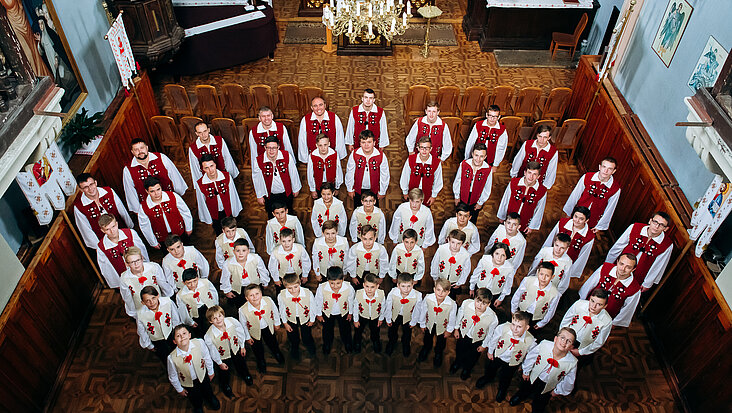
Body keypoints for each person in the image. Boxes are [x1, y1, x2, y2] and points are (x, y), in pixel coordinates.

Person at [509, 328, 578, 412]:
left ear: (571, 347)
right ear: (555, 339)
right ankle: (520, 395)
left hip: (548, 385)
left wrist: (557, 391)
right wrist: (526, 371)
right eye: (562, 338)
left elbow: (568, 382)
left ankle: (537, 409)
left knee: (541, 400)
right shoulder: (544, 345)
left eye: (569, 341)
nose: (564, 342)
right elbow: (531, 357)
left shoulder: (572, 363)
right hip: (534, 375)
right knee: (525, 387)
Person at [475, 311, 537, 402]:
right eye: (513, 324)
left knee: (506, 377)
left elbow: (530, 357)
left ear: (527, 327)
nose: (515, 329)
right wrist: (490, 351)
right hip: (498, 355)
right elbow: (494, 339)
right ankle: (488, 377)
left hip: (512, 363)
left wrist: (523, 367)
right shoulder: (503, 328)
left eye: (519, 327)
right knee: (491, 368)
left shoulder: (531, 341)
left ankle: (502, 389)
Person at [605, 212, 673, 291]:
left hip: (639, 275)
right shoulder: (634, 227)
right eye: (655, 222)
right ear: (650, 221)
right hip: (620, 266)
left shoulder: (667, 245)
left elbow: (658, 265)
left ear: (666, 228)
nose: (656, 226)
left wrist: (647, 283)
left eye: (661, 225)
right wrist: (608, 263)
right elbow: (618, 246)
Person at [122, 138, 187, 213]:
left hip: (169, 199)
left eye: (142, 148)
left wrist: (178, 196)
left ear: (147, 148)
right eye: (136, 150)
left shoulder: (161, 158)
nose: (140, 151)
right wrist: (138, 211)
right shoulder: (128, 170)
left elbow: (175, 176)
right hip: (149, 207)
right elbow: (130, 192)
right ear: (132, 152)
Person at [167, 325, 220, 413]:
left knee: (207, 389)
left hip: (203, 375)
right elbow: (173, 376)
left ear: (189, 335)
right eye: (178, 336)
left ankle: (210, 398)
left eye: (184, 333)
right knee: (194, 396)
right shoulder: (172, 358)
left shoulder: (199, 343)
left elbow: (206, 356)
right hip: (188, 383)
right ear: (174, 341)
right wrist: (180, 389)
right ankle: (198, 406)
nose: (182, 337)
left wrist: (210, 371)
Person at [579, 253, 641, 328]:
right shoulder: (605, 268)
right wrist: (581, 301)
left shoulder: (634, 289)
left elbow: (627, 310)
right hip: (588, 308)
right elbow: (589, 285)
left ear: (633, 269)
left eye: (628, 267)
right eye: (621, 264)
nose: (623, 269)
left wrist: (614, 323)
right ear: (617, 262)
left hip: (605, 318)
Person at [203, 305, 253, 398]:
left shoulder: (232, 321)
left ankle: (245, 375)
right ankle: (225, 385)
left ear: (223, 315)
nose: (218, 319)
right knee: (224, 372)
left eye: (220, 316)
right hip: (222, 356)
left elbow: (240, 332)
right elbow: (213, 352)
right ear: (210, 321)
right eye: (214, 318)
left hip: (235, 348)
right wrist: (219, 363)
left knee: (241, 363)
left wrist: (242, 346)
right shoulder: (209, 336)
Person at [73, 173, 133, 248]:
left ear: (95, 182)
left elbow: (122, 211)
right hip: (105, 243)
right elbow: (86, 230)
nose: (90, 189)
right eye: (85, 187)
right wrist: (99, 247)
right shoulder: (79, 207)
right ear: (81, 189)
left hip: (122, 232)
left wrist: (130, 229)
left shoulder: (108, 191)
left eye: (91, 184)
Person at [451, 288, 499, 380]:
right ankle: (457, 362)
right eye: (478, 301)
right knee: (459, 349)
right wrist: (456, 328)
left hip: (477, 340)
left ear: (489, 304)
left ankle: (467, 369)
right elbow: (460, 316)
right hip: (463, 334)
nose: (479, 305)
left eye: (484, 303)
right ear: (475, 299)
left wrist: (484, 345)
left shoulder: (493, 318)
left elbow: (490, 334)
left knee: (473, 356)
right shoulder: (466, 304)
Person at [562, 157, 620, 232]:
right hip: (577, 214)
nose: (605, 171)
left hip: (594, 219)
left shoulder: (615, 189)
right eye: (604, 167)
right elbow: (574, 196)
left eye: (610, 169)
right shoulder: (587, 177)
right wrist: (568, 212)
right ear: (600, 167)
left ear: (613, 171)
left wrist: (600, 226)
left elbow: (610, 208)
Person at [560, 288, 613, 369]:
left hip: (584, 346)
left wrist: (580, 352)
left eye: (599, 304)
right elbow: (566, 320)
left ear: (605, 306)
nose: (594, 306)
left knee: (573, 366)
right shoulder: (579, 304)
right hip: (568, 337)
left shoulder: (607, 321)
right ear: (590, 298)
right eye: (592, 301)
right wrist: (562, 337)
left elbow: (599, 342)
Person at [238, 284, 285, 373]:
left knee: (272, 341)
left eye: (257, 294)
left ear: (261, 293)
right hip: (254, 331)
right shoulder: (242, 310)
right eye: (251, 295)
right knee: (257, 347)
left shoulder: (268, 300)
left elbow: (275, 311)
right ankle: (261, 360)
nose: (255, 297)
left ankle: (276, 352)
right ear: (247, 298)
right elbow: (243, 325)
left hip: (268, 326)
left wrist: (277, 322)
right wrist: (247, 337)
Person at [138, 177, 193, 249]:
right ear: (147, 191)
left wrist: (189, 228)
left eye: (158, 189)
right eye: (152, 191)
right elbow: (145, 226)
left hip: (180, 233)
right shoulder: (144, 207)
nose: (156, 194)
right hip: (163, 238)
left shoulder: (173, 196)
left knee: (186, 250)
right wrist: (153, 242)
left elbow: (185, 212)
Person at [251, 136, 301, 215]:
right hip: (270, 195)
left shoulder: (286, 156)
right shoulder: (258, 160)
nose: (271, 151)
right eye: (268, 148)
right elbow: (257, 180)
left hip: (286, 192)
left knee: (288, 211)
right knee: (271, 213)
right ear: (265, 147)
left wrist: (296, 188)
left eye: (274, 148)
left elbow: (293, 173)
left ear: (278, 147)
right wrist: (259, 195)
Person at [119, 247, 174, 318]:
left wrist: (167, 298)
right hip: (141, 308)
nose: (136, 264)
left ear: (142, 258)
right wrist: (134, 313)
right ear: (127, 264)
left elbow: (162, 284)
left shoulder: (154, 267)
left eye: (138, 260)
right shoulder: (124, 278)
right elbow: (127, 297)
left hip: (158, 303)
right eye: (132, 262)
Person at [194, 153, 242, 234]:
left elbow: (233, 195)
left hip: (228, 211)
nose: (210, 170)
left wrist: (235, 212)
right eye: (206, 168)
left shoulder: (226, 177)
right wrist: (208, 219)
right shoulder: (200, 184)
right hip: (215, 214)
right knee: (219, 233)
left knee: (232, 232)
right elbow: (202, 202)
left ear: (215, 164)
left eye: (211, 166)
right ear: (203, 169)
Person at [541, 206, 594, 280]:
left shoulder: (589, 236)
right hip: (552, 256)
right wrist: (543, 254)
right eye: (575, 216)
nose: (577, 220)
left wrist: (571, 272)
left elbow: (583, 257)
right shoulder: (562, 223)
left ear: (586, 220)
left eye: (581, 219)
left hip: (566, 263)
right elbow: (551, 239)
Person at [95, 214, 148, 289]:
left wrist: (147, 268)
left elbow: (142, 251)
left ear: (116, 224)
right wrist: (116, 284)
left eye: (113, 226)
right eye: (107, 229)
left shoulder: (130, 233)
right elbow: (106, 269)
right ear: (102, 230)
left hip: (141, 272)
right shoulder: (101, 247)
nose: (112, 231)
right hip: (124, 279)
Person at [416, 278, 457, 367]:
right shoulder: (428, 298)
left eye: (444, 291)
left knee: (441, 341)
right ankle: (426, 348)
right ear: (434, 289)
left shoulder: (452, 304)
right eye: (438, 290)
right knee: (427, 337)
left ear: (448, 292)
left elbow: (452, 318)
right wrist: (422, 323)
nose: (440, 293)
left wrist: (449, 330)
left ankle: (438, 353)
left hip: (443, 326)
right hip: (429, 323)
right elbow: (423, 311)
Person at [497, 161, 548, 234]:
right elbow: (505, 200)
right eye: (529, 173)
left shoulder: (542, 191)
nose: (531, 177)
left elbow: (539, 209)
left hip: (524, 222)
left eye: (534, 174)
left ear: (538, 176)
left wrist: (531, 226)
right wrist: (501, 216)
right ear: (525, 173)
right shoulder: (514, 183)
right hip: (509, 220)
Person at [315, 266, 356, 354]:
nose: (335, 286)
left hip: (343, 312)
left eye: (338, 283)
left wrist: (350, 313)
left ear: (343, 279)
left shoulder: (349, 288)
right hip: (327, 312)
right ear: (327, 280)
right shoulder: (321, 288)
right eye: (332, 283)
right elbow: (318, 301)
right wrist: (318, 314)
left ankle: (347, 343)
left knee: (345, 328)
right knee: (327, 329)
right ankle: (327, 343)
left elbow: (351, 301)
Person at [345, 130, 390, 207]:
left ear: (374, 143)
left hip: (374, 189)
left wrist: (382, 191)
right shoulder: (354, 154)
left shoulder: (381, 155)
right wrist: (350, 189)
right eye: (363, 142)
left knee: (373, 211)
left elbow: (385, 175)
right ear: (360, 143)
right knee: (358, 210)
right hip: (358, 189)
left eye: (369, 142)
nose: (366, 145)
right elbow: (349, 172)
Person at [136, 286, 181, 363]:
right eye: (147, 301)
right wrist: (149, 345)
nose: (152, 302)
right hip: (157, 341)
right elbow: (142, 331)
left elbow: (175, 318)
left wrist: (177, 333)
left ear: (158, 296)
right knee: (165, 358)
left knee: (178, 353)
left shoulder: (168, 302)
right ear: (143, 303)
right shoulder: (140, 314)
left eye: (153, 298)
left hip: (171, 334)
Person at [221, 239, 270, 309]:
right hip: (239, 289)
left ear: (248, 251)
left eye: (244, 251)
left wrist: (265, 282)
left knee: (258, 303)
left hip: (255, 285)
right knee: (241, 306)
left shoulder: (255, 258)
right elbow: (225, 278)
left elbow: (263, 271)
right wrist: (227, 290)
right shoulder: (228, 263)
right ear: (233, 252)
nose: (241, 253)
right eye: (238, 251)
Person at [278, 273, 317, 359]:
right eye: (289, 288)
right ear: (285, 287)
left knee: (306, 334)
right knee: (292, 335)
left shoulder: (308, 293)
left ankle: (309, 345)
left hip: (305, 317)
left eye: (295, 287)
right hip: (291, 318)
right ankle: (294, 347)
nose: (293, 290)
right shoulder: (281, 295)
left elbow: (313, 306)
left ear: (299, 283)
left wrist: (312, 319)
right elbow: (282, 309)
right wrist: (285, 323)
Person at [383, 272, 423, 356]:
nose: (406, 289)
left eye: (409, 286)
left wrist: (413, 321)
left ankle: (406, 344)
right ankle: (392, 342)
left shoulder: (418, 295)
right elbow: (388, 305)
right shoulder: (393, 292)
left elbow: (417, 310)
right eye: (403, 286)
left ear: (413, 285)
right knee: (392, 331)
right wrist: (388, 318)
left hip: (408, 316)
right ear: (398, 285)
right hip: (395, 315)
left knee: (407, 332)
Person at [510, 262, 560, 329]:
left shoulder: (555, 293)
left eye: (547, 276)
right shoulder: (528, 280)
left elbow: (551, 310)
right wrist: (514, 310)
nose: (543, 278)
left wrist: (541, 323)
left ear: (552, 277)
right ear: (537, 273)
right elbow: (517, 296)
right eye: (541, 274)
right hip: (522, 310)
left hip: (536, 318)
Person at [297, 96, 346, 163]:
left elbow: (339, 138)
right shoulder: (305, 120)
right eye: (315, 106)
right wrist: (305, 158)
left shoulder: (334, 118)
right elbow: (302, 140)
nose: (318, 108)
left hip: (330, 155)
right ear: (311, 108)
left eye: (320, 105)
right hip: (313, 156)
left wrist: (339, 156)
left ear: (325, 105)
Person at [453, 143, 493, 223]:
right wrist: (457, 196)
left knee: (473, 217)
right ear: (472, 154)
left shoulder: (487, 169)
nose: (478, 159)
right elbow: (457, 181)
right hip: (462, 196)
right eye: (476, 155)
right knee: (460, 217)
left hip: (476, 199)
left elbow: (487, 188)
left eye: (481, 156)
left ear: (485, 157)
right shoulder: (464, 164)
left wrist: (480, 202)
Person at [509, 125, 558, 189]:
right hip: (522, 178)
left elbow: (551, 170)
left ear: (549, 138)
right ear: (537, 135)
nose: (541, 140)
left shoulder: (553, 151)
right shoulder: (527, 144)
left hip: (538, 182)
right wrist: (513, 175)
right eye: (540, 136)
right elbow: (518, 160)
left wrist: (546, 186)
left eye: (545, 137)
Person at [399, 136, 444, 206]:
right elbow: (405, 176)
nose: (424, 150)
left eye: (427, 148)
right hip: (412, 192)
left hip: (426, 194)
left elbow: (438, 181)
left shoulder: (436, 162)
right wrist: (405, 192)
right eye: (422, 148)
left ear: (431, 149)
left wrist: (433, 196)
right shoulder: (411, 159)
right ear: (418, 148)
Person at [177, 269, 219, 338]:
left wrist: (215, 305)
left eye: (195, 281)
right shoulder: (181, 295)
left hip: (208, 307)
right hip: (196, 314)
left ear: (198, 278)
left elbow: (214, 293)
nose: (193, 285)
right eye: (189, 283)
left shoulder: (205, 282)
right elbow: (183, 310)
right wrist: (190, 322)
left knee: (214, 325)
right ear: (183, 283)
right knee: (202, 331)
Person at [431, 229, 472, 299]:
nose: (455, 246)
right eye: (453, 242)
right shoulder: (441, 249)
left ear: (462, 243)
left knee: (451, 298)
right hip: (441, 279)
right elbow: (435, 263)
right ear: (448, 240)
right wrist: (435, 278)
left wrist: (459, 283)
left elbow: (466, 270)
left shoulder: (466, 255)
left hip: (454, 282)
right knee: (437, 296)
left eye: (458, 243)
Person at [352, 272, 385, 353]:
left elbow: (383, 307)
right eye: (367, 286)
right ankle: (357, 342)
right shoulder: (358, 294)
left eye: (372, 287)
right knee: (358, 330)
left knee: (375, 331)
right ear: (363, 285)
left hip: (375, 316)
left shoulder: (381, 294)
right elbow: (355, 308)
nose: (369, 289)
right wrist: (356, 320)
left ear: (377, 286)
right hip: (362, 315)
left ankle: (375, 341)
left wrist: (381, 318)